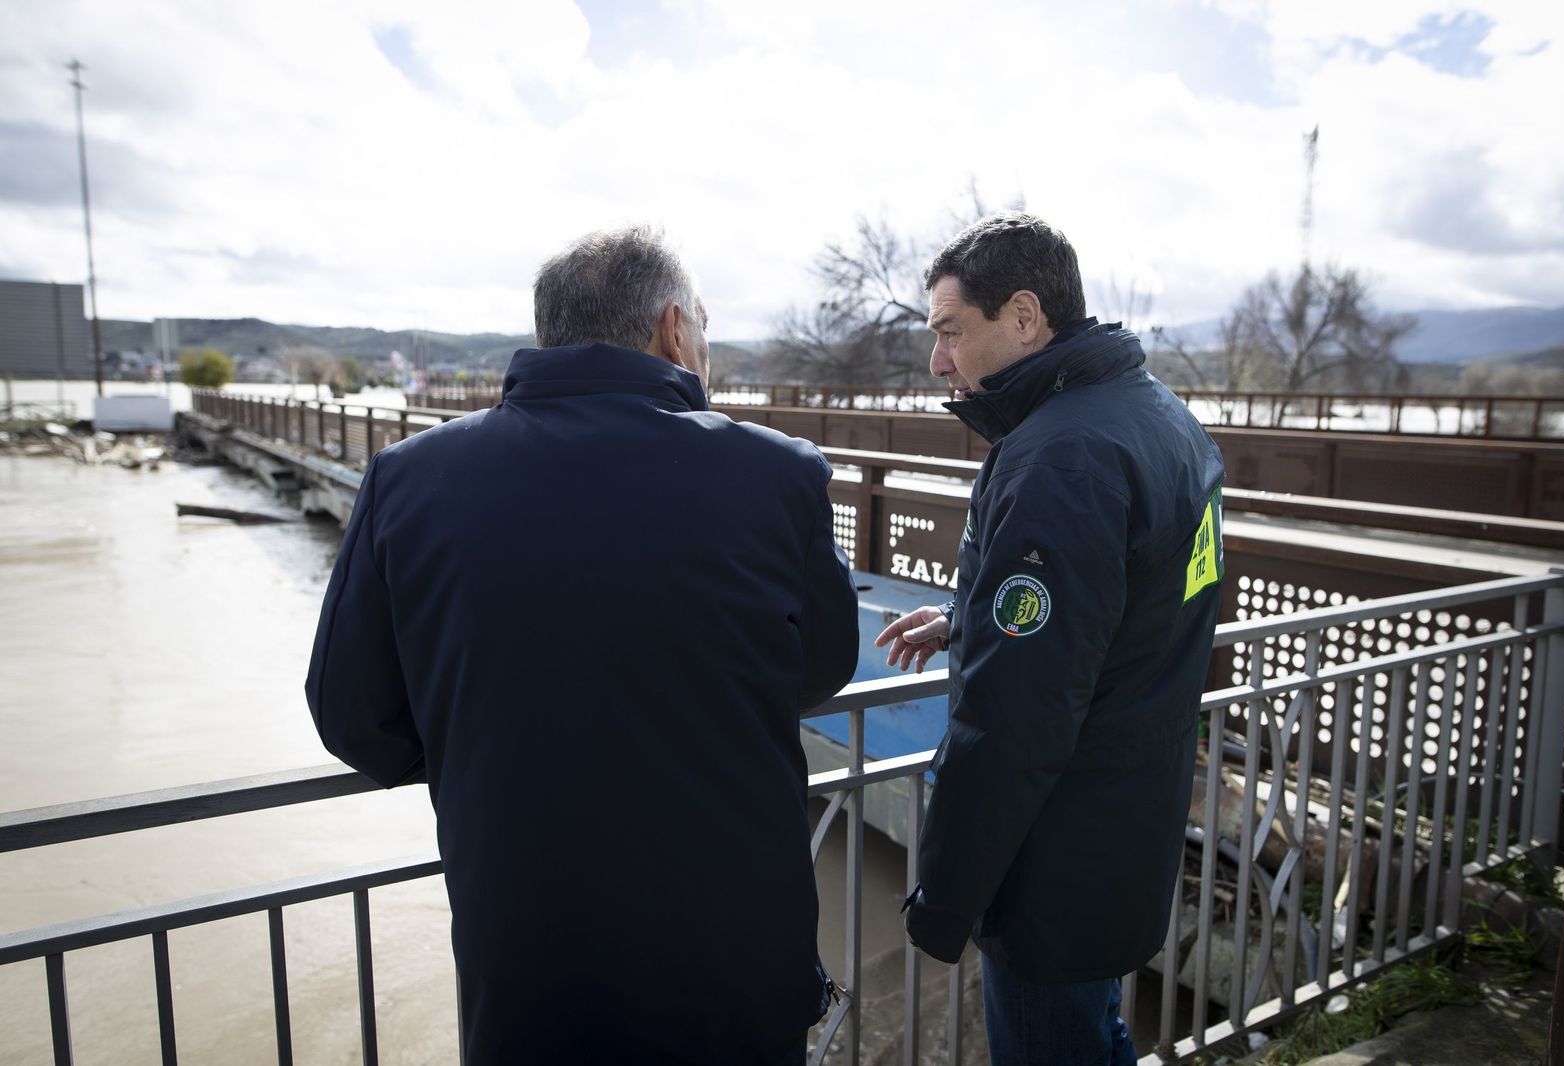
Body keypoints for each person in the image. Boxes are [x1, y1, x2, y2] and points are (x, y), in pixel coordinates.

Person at [307, 225, 859, 1065]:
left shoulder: (410, 477)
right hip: (732, 956)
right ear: (675, 329)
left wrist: (488, 743)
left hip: (528, 953)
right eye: (705, 330)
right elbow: (822, 664)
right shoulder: (779, 474)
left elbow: (352, 717)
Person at [876, 212, 1225, 1065]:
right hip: (1126, 822)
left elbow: (1016, 718)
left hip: (1053, 853)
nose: (938, 361)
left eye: (951, 332)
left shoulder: (1061, 459)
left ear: (1025, 317)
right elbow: (1125, 602)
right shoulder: (1160, 417)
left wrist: (946, 897)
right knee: (1098, 1032)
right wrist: (973, 616)